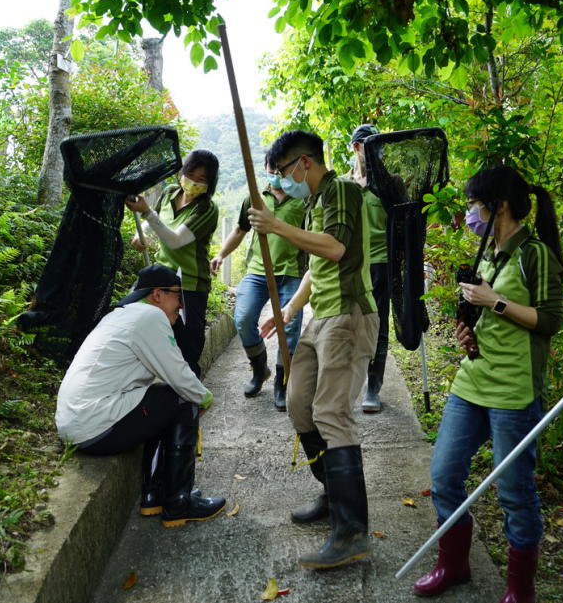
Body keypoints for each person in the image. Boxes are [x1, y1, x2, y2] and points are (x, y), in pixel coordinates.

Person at [413, 167, 563, 601]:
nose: (468, 213)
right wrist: (469, 331)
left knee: (515, 492)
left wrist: (494, 301)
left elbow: (550, 321)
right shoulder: (486, 252)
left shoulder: (534, 254)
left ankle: (520, 589)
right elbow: (485, 318)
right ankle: (453, 563)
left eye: (473, 204)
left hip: (514, 392)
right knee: (443, 476)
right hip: (472, 383)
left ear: (498, 206)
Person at [248, 130, 379, 569]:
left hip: (347, 315)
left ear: (304, 163)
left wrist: (275, 225)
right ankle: (332, 493)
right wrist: (287, 309)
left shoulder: (339, 190)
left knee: (330, 413)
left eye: (283, 172)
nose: (283, 181)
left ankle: (351, 531)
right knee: (300, 406)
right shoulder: (314, 203)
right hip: (319, 316)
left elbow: (337, 248)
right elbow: (316, 265)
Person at [54, 264, 226, 527]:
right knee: (183, 398)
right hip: (94, 426)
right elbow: (178, 374)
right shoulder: (150, 317)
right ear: (157, 295)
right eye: (177, 296)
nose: (180, 305)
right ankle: (179, 503)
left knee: (162, 398)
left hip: (78, 423)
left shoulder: (120, 315)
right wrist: (205, 399)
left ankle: (153, 495)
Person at [210, 166, 307, 410]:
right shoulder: (254, 198)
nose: (275, 172)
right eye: (271, 168)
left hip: (291, 272)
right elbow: (240, 230)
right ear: (265, 169)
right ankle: (259, 369)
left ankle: (282, 383)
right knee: (243, 318)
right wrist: (221, 254)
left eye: (279, 168)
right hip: (257, 271)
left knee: (291, 327)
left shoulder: (302, 198)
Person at [126, 149, 220, 378]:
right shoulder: (169, 193)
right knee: (135, 323)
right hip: (161, 277)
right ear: (182, 172)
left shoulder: (207, 209)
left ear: (210, 183)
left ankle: (191, 398)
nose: (194, 182)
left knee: (188, 346)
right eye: (191, 174)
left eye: (202, 179)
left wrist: (146, 212)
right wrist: (142, 234)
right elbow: (155, 221)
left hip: (190, 285)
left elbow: (176, 240)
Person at [345, 123, 390, 413]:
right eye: (367, 145)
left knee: (378, 326)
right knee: (348, 323)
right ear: (356, 148)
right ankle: (349, 382)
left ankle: (373, 386)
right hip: (349, 265)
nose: (373, 150)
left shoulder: (389, 184)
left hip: (381, 263)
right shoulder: (343, 184)